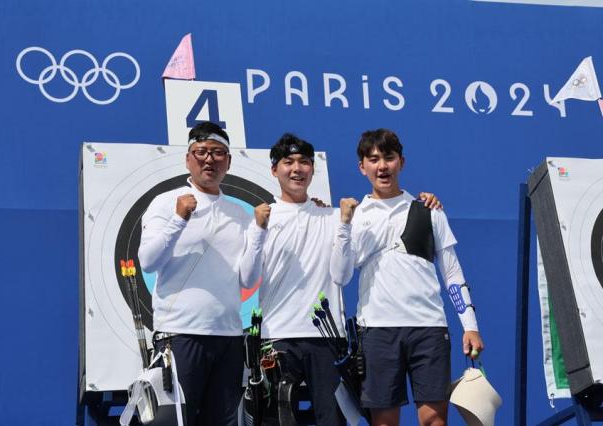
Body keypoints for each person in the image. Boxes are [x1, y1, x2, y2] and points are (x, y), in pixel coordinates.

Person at [240, 133, 440, 425]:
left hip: (328, 340)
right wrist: (258, 229)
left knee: (332, 421)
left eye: (305, 162)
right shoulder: (261, 219)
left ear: (313, 169)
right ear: (274, 170)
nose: (297, 169)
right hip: (278, 338)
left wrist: (427, 202)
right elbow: (247, 280)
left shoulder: (335, 216)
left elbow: (341, 274)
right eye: (288, 162)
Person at [331, 128, 484, 426]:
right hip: (376, 331)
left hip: (428, 329)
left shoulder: (429, 210)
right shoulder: (355, 216)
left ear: (401, 161)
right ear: (362, 167)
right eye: (373, 159)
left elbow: (452, 273)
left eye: (389, 158)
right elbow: (340, 276)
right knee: (385, 423)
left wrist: (471, 326)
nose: (382, 166)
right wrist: (345, 224)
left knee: (434, 422)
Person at [137, 121, 258, 425]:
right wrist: (179, 219)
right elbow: (148, 261)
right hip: (179, 335)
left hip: (229, 337)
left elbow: (248, 279)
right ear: (188, 159)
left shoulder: (241, 215)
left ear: (228, 162)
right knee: (177, 421)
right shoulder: (166, 203)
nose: (209, 159)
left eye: (218, 153)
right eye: (201, 151)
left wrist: (260, 235)